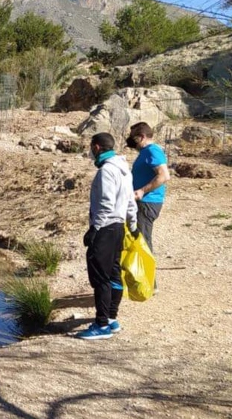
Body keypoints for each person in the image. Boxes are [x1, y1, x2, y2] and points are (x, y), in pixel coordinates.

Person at [76, 132, 138, 340]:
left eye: (90, 147)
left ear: (96, 148)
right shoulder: (124, 169)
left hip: (106, 229)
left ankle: (101, 325)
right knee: (113, 273)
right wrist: (133, 223)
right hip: (118, 227)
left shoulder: (106, 172)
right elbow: (130, 201)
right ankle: (112, 318)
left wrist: (94, 229)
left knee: (100, 277)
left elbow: (105, 204)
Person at [126, 122, 170, 255]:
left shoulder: (152, 150)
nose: (132, 142)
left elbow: (163, 175)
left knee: (142, 241)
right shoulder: (146, 152)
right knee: (137, 239)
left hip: (147, 202)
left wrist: (142, 191)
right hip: (143, 202)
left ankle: (147, 275)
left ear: (142, 136)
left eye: (134, 138)